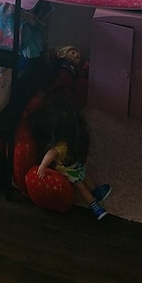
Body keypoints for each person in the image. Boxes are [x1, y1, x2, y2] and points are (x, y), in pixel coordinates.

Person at [27, 89, 111, 221]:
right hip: (73, 165)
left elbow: (50, 153)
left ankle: (95, 204)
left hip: (70, 168)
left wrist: (42, 166)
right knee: (84, 179)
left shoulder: (61, 145)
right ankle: (96, 197)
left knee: (83, 184)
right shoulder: (73, 137)